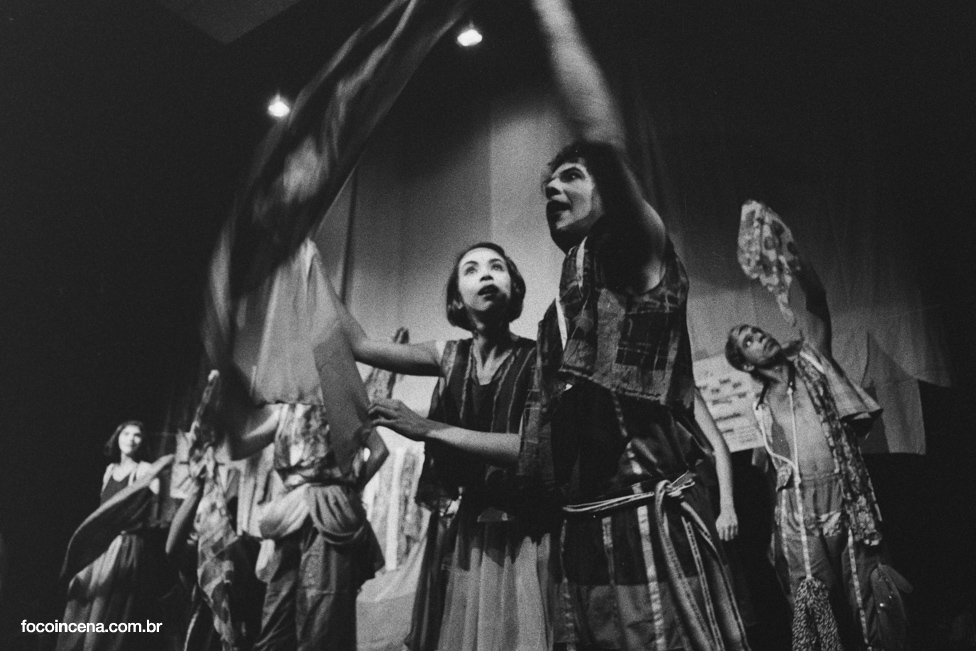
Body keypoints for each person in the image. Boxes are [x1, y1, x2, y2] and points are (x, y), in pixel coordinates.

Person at [518, 0, 750, 649]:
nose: (552, 190)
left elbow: (602, 140)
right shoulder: (555, 314)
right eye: (547, 185)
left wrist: (551, 14)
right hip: (582, 538)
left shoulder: (636, 252)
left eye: (571, 177)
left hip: (649, 526)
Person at [349, 242, 560, 651]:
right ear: (457, 299)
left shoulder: (537, 356)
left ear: (514, 287)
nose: (486, 274)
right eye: (471, 269)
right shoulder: (447, 355)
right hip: (472, 531)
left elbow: (529, 449)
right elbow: (359, 345)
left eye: (497, 266)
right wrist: (304, 254)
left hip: (525, 530)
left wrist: (429, 428)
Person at [725, 256, 909, 650]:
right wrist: (776, 531)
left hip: (846, 496)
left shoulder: (811, 360)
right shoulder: (759, 408)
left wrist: (799, 267)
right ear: (745, 364)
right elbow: (772, 474)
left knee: (872, 592)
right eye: (748, 340)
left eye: (757, 331)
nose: (759, 336)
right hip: (799, 512)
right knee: (813, 604)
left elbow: (818, 302)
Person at [228, 395, 388, 651]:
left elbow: (379, 450)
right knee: (291, 616)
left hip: (320, 514)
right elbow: (236, 448)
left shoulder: (335, 403)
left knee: (317, 620)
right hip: (299, 514)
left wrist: (344, 492)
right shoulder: (290, 411)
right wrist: (225, 402)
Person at [58, 421, 173, 651]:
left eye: (137, 435)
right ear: (117, 438)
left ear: (143, 442)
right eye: (126, 433)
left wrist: (160, 473)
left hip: (124, 544)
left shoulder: (144, 470)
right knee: (84, 597)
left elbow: (160, 500)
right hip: (101, 543)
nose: (130, 438)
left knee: (109, 604)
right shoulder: (110, 470)